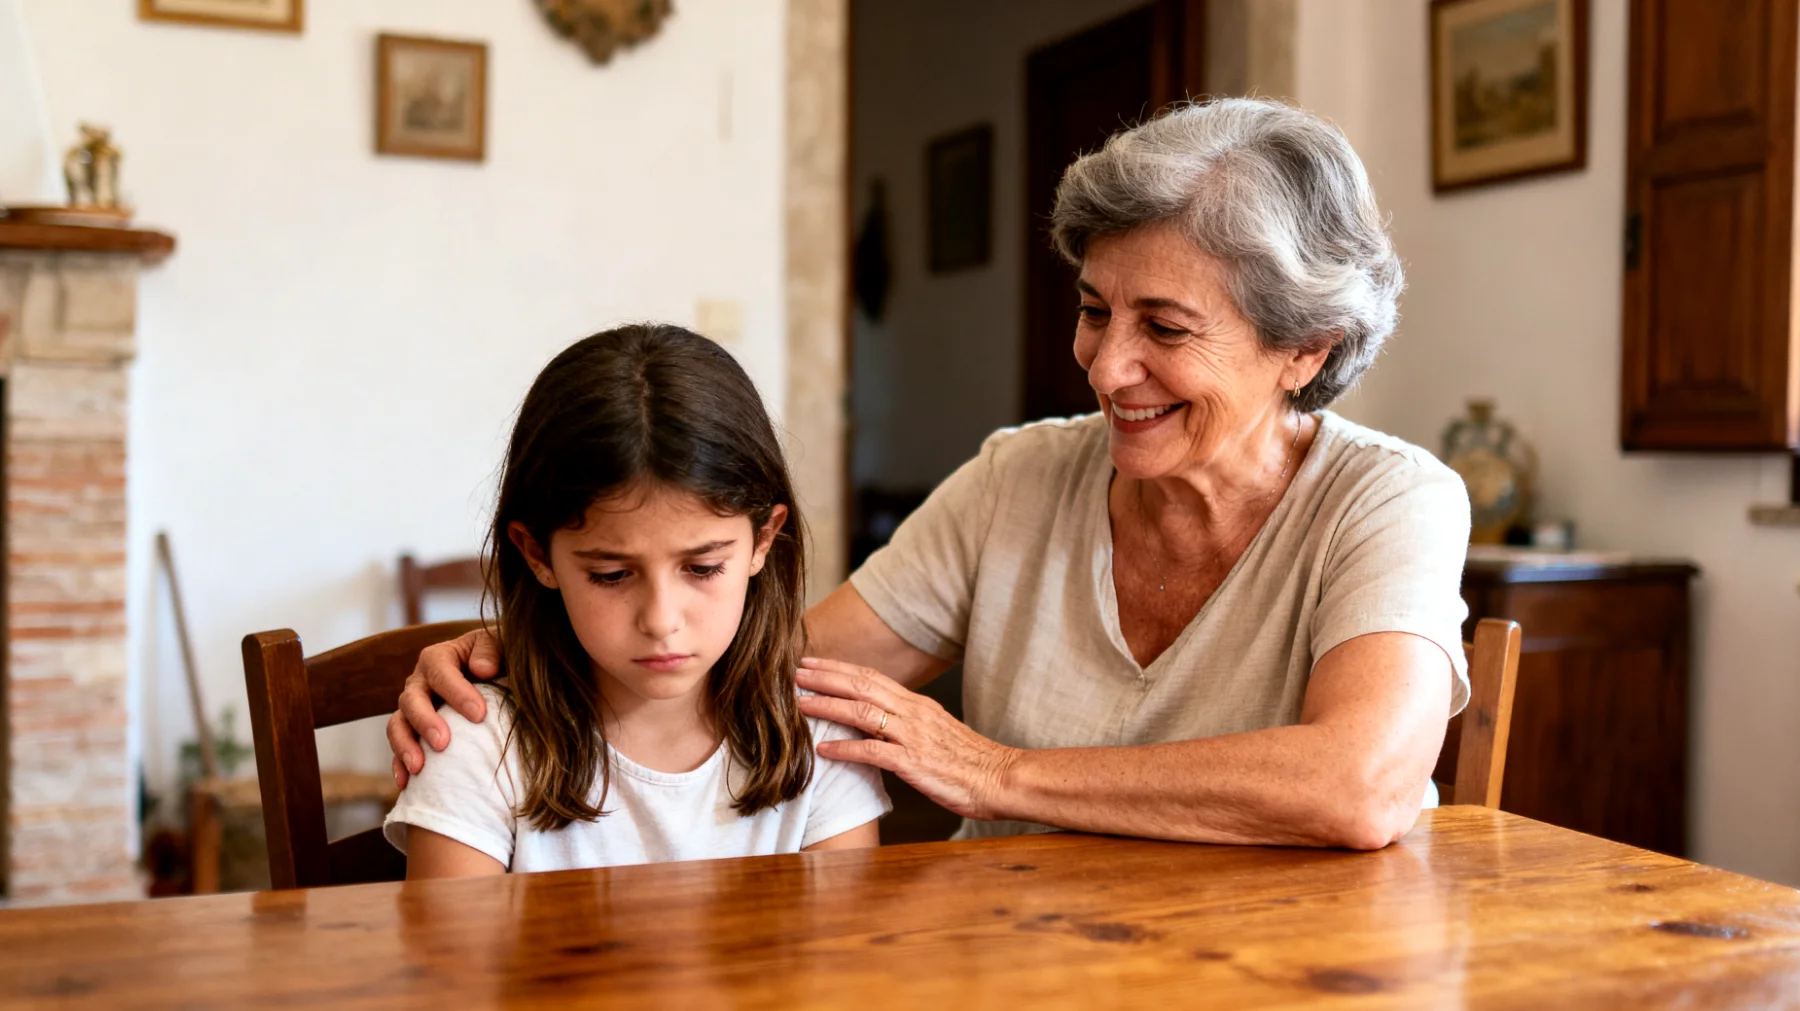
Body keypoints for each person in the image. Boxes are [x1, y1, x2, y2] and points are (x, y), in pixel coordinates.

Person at [390, 98, 1470, 852]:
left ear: (1307, 349)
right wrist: (529, 651)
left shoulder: (1388, 502)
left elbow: (1360, 786)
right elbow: (768, 665)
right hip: (1017, 958)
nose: (1106, 363)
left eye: (1166, 326)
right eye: (1095, 310)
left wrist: (996, 774)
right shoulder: (1021, 478)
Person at [383, 324, 889, 878]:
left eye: (703, 568)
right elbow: (455, 962)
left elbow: (841, 954)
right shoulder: (477, 745)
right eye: (611, 574)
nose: (661, 621)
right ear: (537, 555)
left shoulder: (822, 737)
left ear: (763, 540)